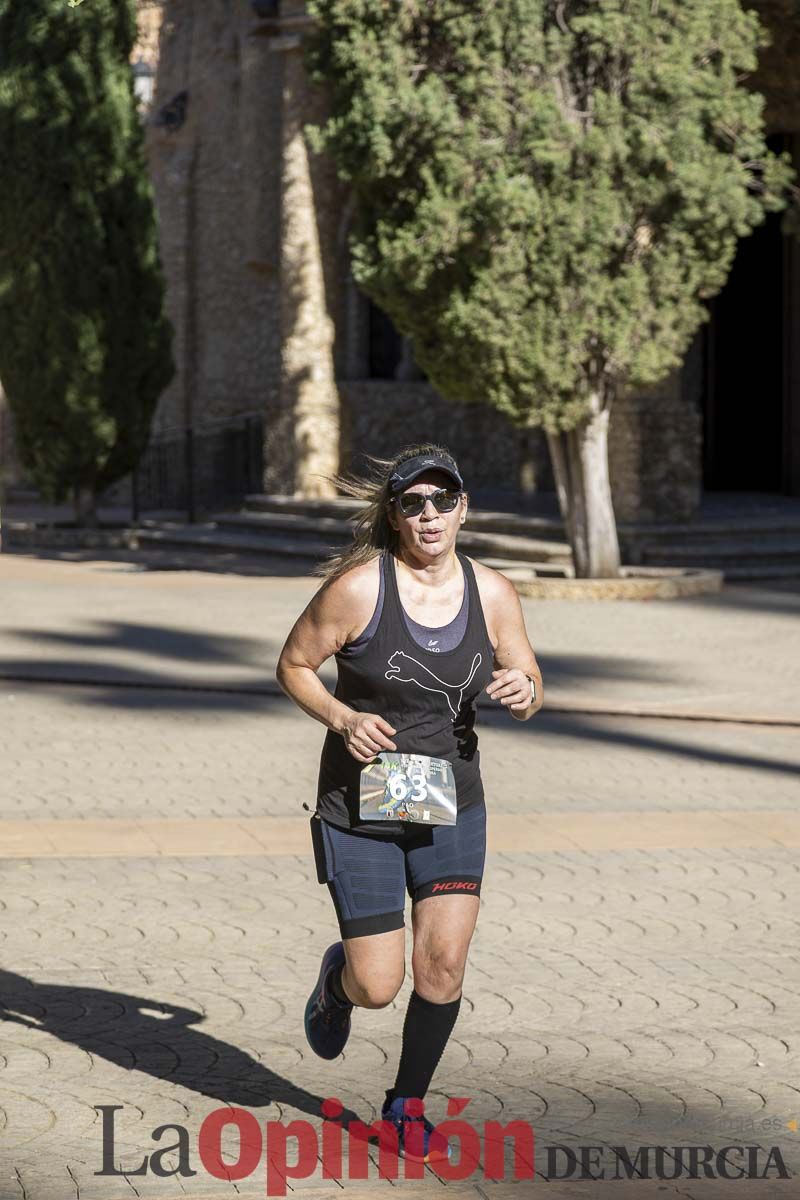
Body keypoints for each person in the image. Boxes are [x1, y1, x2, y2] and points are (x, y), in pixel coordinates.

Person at [276, 443, 543, 1163]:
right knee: (378, 983)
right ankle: (338, 984)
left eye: (443, 500)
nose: (430, 514)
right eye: (414, 503)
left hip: (451, 802)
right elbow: (293, 665)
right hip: (361, 808)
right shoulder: (358, 590)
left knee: (443, 964)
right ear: (394, 515)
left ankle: (406, 1105)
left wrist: (524, 691)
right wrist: (343, 718)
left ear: (463, 509)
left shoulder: (493, 592)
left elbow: (528, 676)